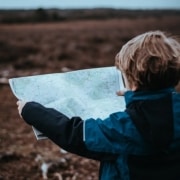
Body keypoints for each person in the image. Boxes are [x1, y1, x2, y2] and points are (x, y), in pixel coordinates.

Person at [17, 30, 180, 180]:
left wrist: (31, 111)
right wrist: (133, 95)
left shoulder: (123, 127)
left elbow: (76, 135)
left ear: (134, 81)